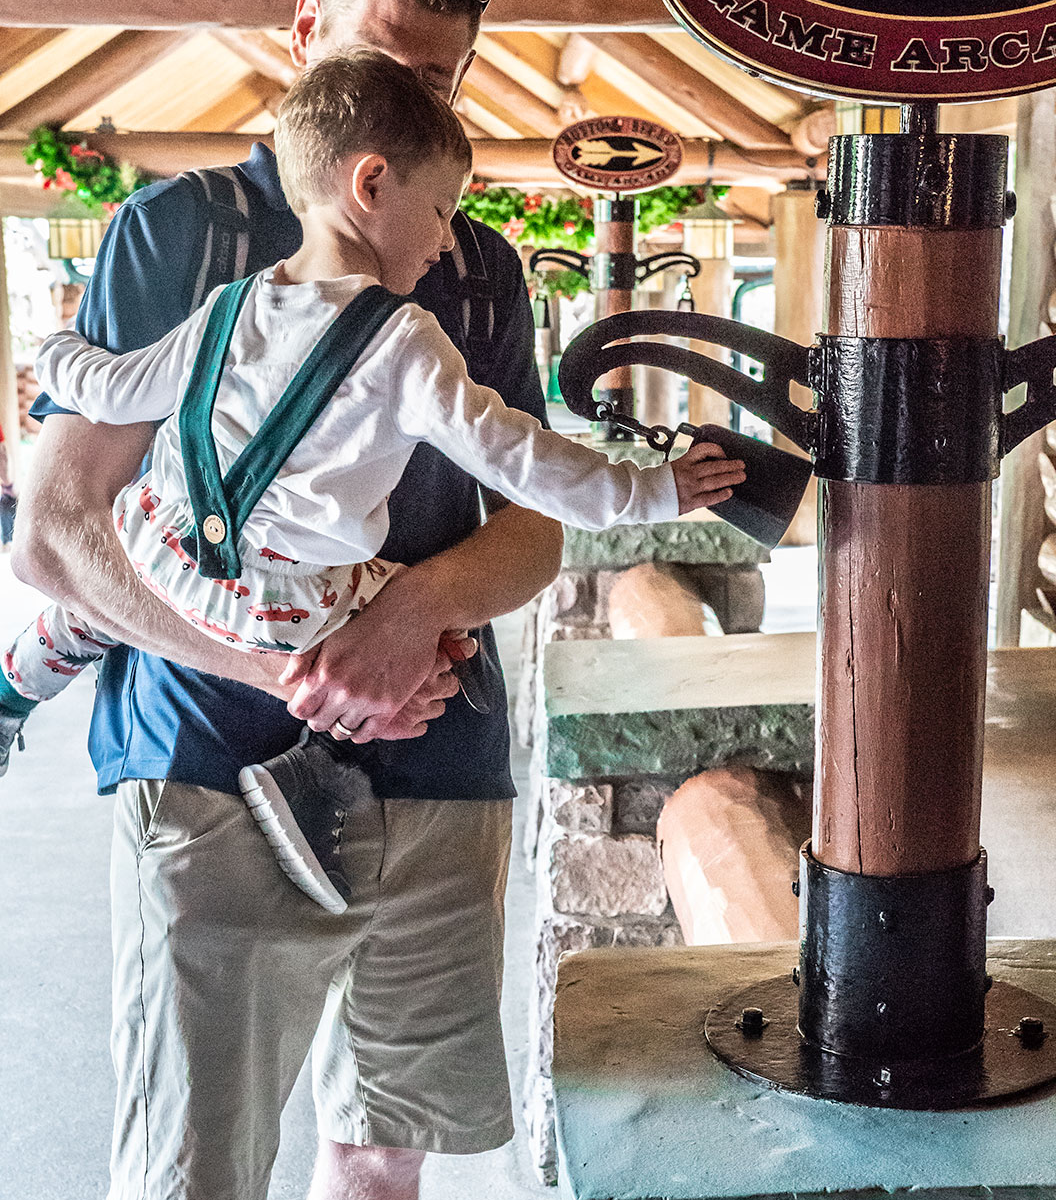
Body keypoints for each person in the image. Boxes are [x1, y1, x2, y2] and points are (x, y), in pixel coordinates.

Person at [11, 0, 618, 1200]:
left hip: (440, 756)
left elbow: (529, 518)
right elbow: (56, 530)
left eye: (445, 78)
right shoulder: (177, 236)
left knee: (383, 1147)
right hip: (210, 765)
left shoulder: (477, 267)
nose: (411, 106)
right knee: (172, 1189)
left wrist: (409, 618)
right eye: (381, 60)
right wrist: (287, 665)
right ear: (303, 38)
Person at [14, 51, 741, 914]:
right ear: (371, 183)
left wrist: (53, 351)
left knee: (91, 603)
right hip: (289, 610)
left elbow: (114, 386)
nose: (444, 240)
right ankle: (309, 780)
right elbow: (522, 460)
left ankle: (21, 674)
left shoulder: (229, 306)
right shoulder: (403, 341)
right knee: (434, 641)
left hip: (165, 549)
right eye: (440, 210)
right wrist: (656, 490)